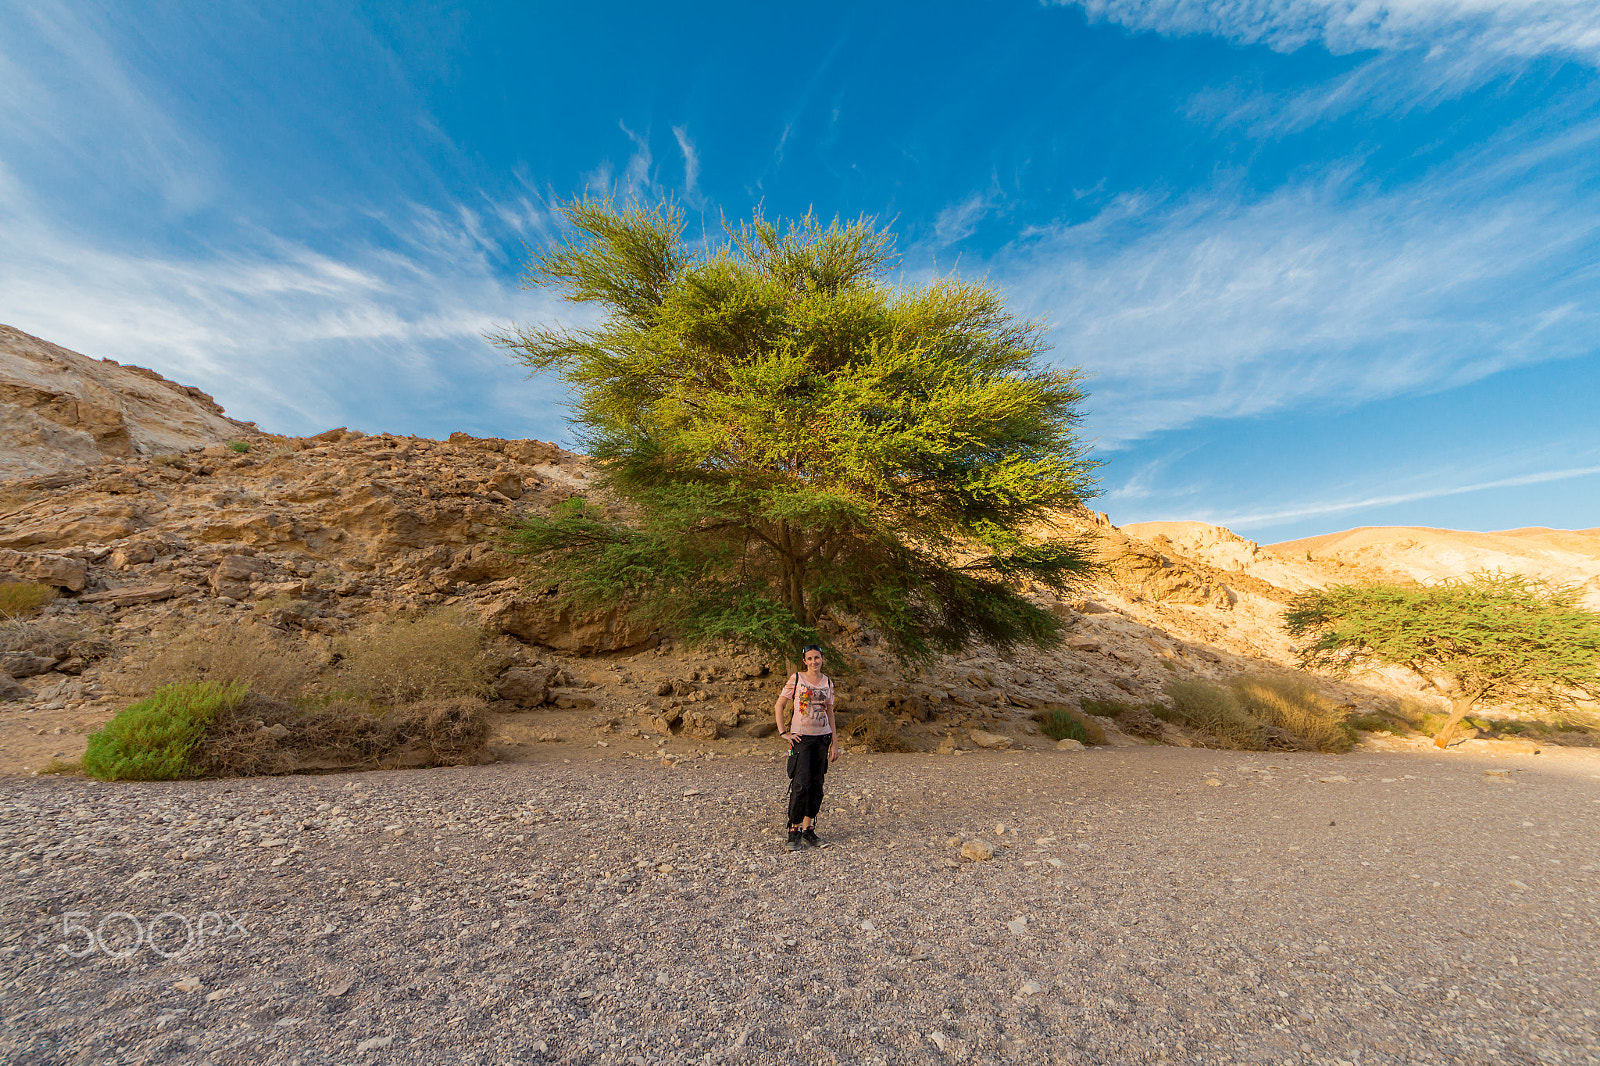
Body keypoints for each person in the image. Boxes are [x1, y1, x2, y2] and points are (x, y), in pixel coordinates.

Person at [773, 644, 839, 851]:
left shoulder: (827, 682)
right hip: (802, 740)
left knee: (817, 784)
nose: (814, 662)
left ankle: (808, 829)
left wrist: (834, 743)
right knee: (800, 784)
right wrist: (784, 733)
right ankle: (793, 831)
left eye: (817, 658)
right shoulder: (796, 679)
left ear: (822, 658)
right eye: (809, 658)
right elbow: (779, 705)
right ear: (804, 661)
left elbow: (829, 712)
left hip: (822, 738)